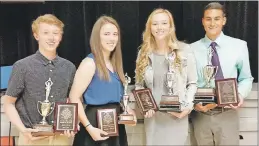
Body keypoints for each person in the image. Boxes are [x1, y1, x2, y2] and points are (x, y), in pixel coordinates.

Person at [3, 14, 76, 145]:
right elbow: (8, 103)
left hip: (61, 139)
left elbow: (75, 101)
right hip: (32, 138)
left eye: (56, 33)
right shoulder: (22, 66)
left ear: (61, 36)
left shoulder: (69, 67)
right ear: (36, 35)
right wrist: (23, 130)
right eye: (46, 32)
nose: (51, 37)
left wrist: (74, 123)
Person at [190, 2, 254, 145]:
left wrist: (240, 94)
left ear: (224, 20)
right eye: (208, 19)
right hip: (200, 115)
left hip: (227, 113)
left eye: (217, 18)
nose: (212, 23)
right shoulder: (191, 49)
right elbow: (188, 82)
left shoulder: (239, 46)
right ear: (203, 21)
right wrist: (194, 103)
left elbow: (246, 78)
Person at [69, 16, 136, 146]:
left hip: (115, 126)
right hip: (94, 126)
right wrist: (89, 128)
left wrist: (129, 112)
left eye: (115, 34)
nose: (112, 38)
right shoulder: (89, 63)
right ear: (97, 37)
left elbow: (120, 98)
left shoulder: (115, 64)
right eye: (106, 34)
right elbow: (74, 97)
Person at [134, 8, 197, 145]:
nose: (159, 27)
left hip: (177, 117)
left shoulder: (184, 50)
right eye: (155, 24)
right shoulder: (143, 53)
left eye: (164, 23)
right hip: (153, 119)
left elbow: (192, 83)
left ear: (170, 26)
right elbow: (139, 85)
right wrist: (145, 106)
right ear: (149, 27)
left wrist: (187, 107)